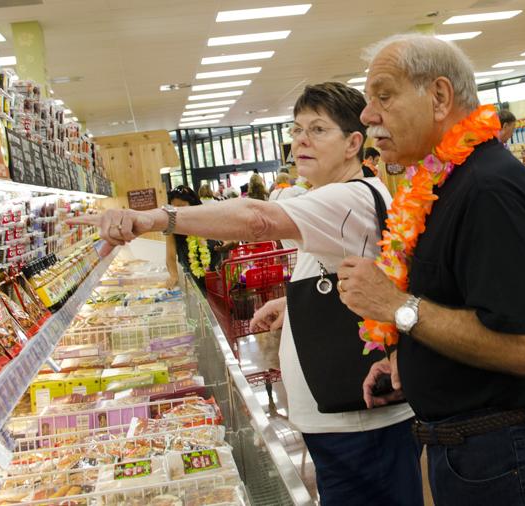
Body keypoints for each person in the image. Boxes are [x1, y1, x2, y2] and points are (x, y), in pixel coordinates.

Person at [69, 82, 421, 506]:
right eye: (296, 130)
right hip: (343, 419)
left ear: (353, 143)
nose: (301, 140)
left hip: (360, 426)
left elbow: (257, 219)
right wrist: (292, 304)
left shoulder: (348, 197)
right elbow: (349, 280)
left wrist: (153, 219)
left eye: (318, 129)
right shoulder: (337, 196)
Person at [338, 34, 525, 505]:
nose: (368, 116)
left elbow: (522, 347)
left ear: (439, 97)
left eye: (383, 97)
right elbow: (458, 302)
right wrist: (408, 361)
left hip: (508, 457)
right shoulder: (446, 182)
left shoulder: (488, 190)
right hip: (475, 451)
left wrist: (395, 307)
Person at [163, 185, 211, 290]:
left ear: (192, 205)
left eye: (181, 206)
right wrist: (174, 275)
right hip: (193, 279)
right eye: (174, 208)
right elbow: (170, 257)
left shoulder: (206, 218)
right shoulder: (171, 226)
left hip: (215, 273)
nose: (178, 211)